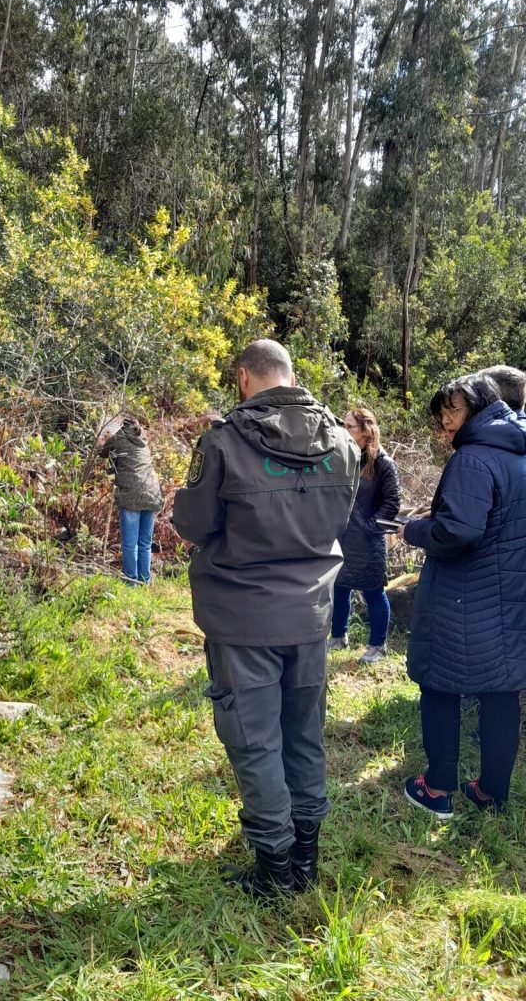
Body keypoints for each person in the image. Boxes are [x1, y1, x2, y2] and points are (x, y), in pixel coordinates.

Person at [173, 340, 360, 897]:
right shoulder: (343, 443)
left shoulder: (223, 442)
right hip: (311, 614)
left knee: (255, 742)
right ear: (291, 377)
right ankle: (306, 857)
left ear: (243, 378)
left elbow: (193, 524)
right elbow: (340, 518)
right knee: (304, 735)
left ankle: (276, 870)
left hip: (243, 617)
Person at [398, 374, 526, 818]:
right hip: (509, 596)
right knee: (501, 690)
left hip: (463, 599)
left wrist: (413, 530)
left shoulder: (472, 458)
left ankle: (437, 790)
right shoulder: (517, 450)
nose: (447, 421)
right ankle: (491, 792)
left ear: (480, 405)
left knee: (438, 685)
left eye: (453, 410)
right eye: (442, 414)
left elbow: (458, 532)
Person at [328, 408, 401, 664]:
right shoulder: (344, 457)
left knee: (373, 592)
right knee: (339, 587)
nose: (344, 430)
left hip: (369, 541)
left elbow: (392, 502)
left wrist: (370, 528)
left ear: (365, 430)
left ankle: (378, 646)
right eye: (344, 425)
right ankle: (338, 637)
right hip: (343, 537)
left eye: (350, 426)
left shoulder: (383, 463)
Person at [98, 416, 164, 584]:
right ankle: (145, 580)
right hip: (152, 493)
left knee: (129, 543)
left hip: (131, 494)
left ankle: (130, 580)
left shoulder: (119, 437)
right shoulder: (142, 437)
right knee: (145, 542)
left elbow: (102, 453)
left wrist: (102, 439)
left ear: (121, 426)